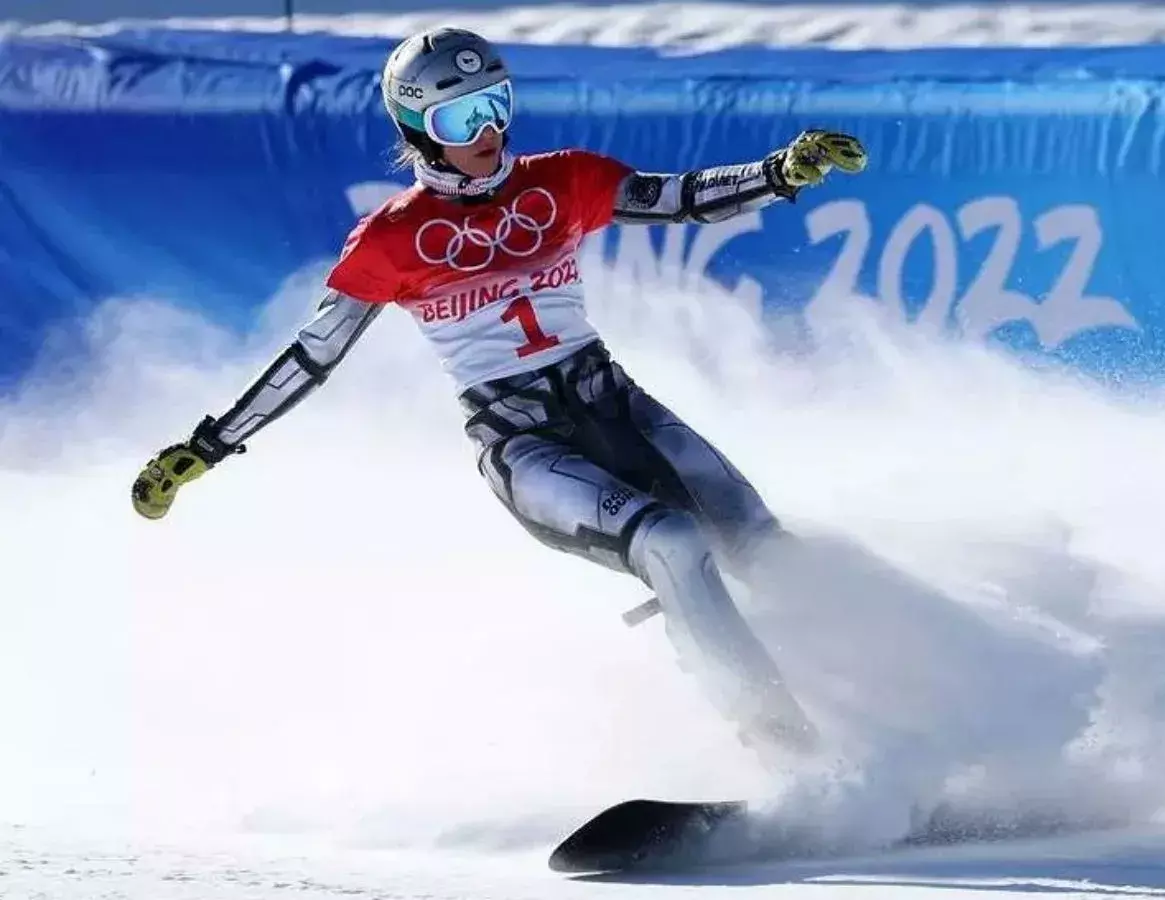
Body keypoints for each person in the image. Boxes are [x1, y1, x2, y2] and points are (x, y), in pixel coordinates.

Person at [129, 26, 867, 761]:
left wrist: (779, 172)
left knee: (762, 545)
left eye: (495, 105)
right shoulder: (392, 238)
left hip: (614, 404)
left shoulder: (564, 178)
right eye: (460, 119)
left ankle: (882, 701)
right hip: (526, 446)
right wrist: (208, 446)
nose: (486, 132)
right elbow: (312, 355)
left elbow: (673, 198)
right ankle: (786, 751)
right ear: (418, 130)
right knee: (669, 542)